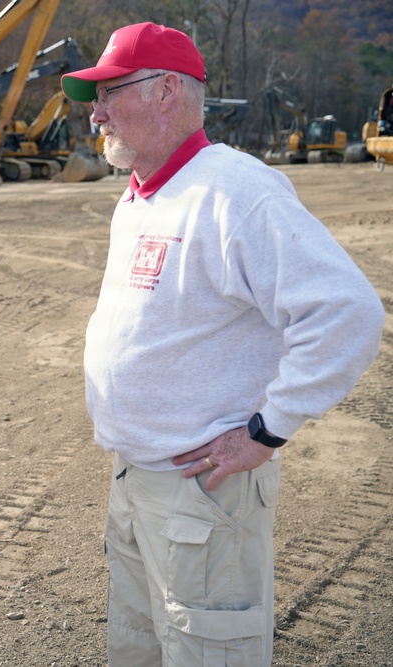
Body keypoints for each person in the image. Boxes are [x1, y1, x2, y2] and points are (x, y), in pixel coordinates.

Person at [60, 23, 385, 666]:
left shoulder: (237, 191)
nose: (95, 113)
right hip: (135, 481)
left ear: (166, 91)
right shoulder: (140, 196)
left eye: (109, 93)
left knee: (208, 652)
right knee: (139, 648)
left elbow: (347, 312)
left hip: (203, 493)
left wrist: (266, 431)